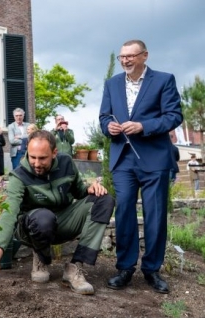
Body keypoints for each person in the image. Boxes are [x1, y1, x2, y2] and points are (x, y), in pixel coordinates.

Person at [0, 130, 115, 295]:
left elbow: (79, 191)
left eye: (42, 158)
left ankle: (75, 267)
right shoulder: (19, 176)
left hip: (63, 221)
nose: (36, 163)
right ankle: (40, 256)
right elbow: (8, 215)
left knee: (104, 199)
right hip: (33, 226)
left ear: (54, 153)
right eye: (32, 157)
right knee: (43, 218)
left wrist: (91, 188)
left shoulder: (66, 163)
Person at [99, 39, 183, 294]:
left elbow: (174, 116)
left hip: (155, 159)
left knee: (154, 214)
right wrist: (108, 127)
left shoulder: (164, 80)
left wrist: (144, 126)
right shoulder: (111, 84)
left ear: (144, 56)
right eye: (122, 57)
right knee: (124, 210)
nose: (125, 60)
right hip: (123, 158)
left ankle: (152, 270)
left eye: (130, 56)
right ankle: (125, 268)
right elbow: (103, 117)